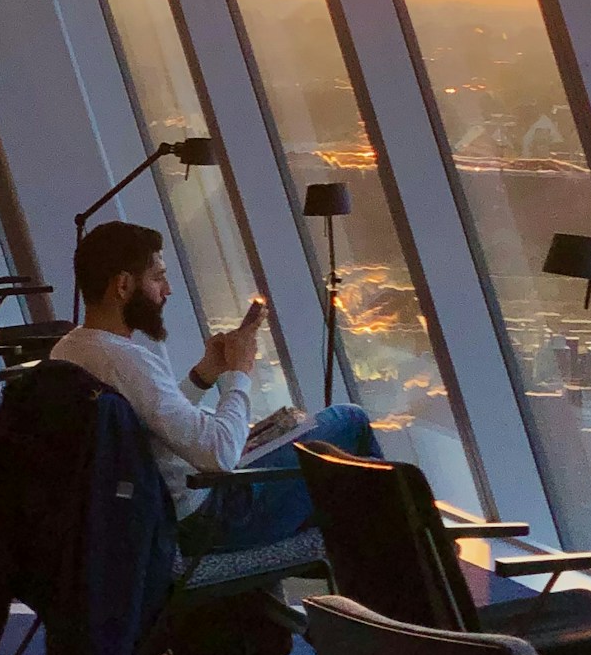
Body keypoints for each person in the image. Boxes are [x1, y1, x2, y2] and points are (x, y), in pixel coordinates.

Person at [51, 218, 378, 576]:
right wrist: (238, 373)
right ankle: (398, 575)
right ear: (124, 285)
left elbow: (153, 427)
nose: (168, 290)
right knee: (349, 421)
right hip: (210, 519)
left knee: (332, 491)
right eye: (158, 277)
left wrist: (204, 375)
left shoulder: (69, 350)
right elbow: (219, 454)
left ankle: (351, 582)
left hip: (150, 513)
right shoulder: (126, 361)